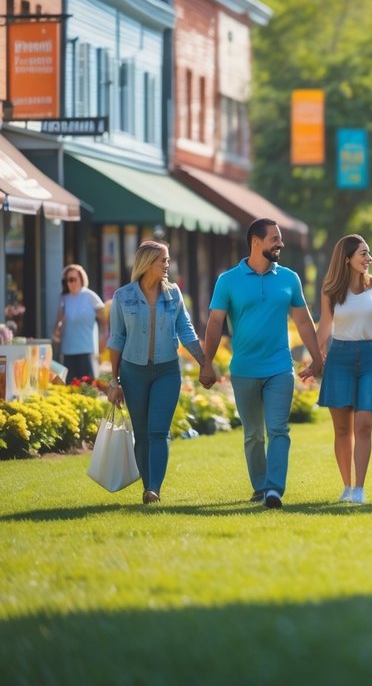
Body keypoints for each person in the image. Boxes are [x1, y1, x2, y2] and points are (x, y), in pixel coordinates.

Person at [201, 218, 324, 510]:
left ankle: (274, 489)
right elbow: (215, 322)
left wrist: (318, 358)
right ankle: (260, 485)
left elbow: (304, 320)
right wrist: (207, 363)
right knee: (254, 433)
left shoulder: (289, 278)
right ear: (256, 242)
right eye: (274, 239)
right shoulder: (228, 280)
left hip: (280, 367)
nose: (280, 244)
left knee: (278, 429)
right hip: (244, 369)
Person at [107, 242, 213, 504]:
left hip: (167, 370)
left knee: (158, 431)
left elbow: (186, 331)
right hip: (133, 372)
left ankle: (154, 487)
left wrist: (204, 362)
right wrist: (113, 380)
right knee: (142, 434)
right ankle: (147, 486)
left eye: (168, 261)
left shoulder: (174, 294)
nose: (168, 265)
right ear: (147, 263)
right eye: (163, 261)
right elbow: (116, 339)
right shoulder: (123, 296)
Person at [314, 234, 372, 505]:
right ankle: (347, 486)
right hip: (340, 358)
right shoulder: (330, 289)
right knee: (342, 430)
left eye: (369, 253)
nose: (368, 258)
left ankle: (360, 488)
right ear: (347, 258)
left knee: (364, 425)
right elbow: (324, 327)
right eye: (363, 253)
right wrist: (315, 359)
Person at [53, 263, 106, 383]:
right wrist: (57, 330)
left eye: (73, 279)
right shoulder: (64, 299)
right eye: (67, 280)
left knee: (88, 387)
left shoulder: (90, 296)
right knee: (70, 387)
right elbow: (58, 322)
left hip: (86, 350)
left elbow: (105, 321)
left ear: (81, 279)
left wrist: (103, 339)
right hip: (68, 351)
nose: (70, 283)